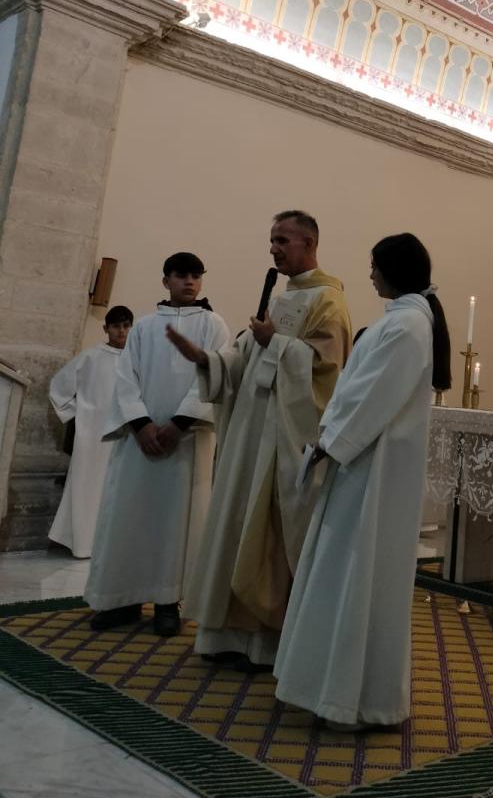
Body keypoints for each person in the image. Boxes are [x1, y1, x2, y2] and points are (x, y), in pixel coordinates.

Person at [273, 232, 451, 731]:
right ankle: (328, 689)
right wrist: (329, 436)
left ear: (394, 269)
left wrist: (332, 441)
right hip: (361, 462)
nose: (370, 274)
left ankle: (353, 701)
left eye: (375, 265)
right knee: (342, 573)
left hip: (373, 468)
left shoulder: (408, 326)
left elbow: (374, 395)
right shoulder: (402, 320)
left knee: (360, 575)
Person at [166, 210, 352, 671]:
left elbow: (327, 370)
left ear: (309, 242)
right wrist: (209, 360)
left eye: (282, 240)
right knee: (235, 524)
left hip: (281, 438)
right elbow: (247, 356)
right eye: (272, 240)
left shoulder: (329, 301)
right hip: (250, 435)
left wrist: (276, 344)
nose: (273, 249)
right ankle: (224, 635)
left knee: (265, 535)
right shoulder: (281, 296)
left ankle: (263, 643)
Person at [84, 254, 229, 635]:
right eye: (181, 275)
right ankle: (121, 600)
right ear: (166, 280)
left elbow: (214, 376)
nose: (189, 282)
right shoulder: (145, 328)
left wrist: (179, 424)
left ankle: (168, 601)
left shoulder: (213, 325)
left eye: (196, 275)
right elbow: (125, 378)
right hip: (140, 442)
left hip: (185, 441)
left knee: (175, 523)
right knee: (128, 517)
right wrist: (141, 424)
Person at [47, 306, 134, 558]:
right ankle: (82, 543)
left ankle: (109, 544)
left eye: (126, 326)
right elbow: (58, 388)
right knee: (87, 485)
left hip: (125, 434)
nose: (121, 331)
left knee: (116, 488)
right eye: (116, 326)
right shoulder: (90, 357)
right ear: (106, 329)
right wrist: (81, 415)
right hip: (92, 433)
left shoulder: (136, 358)